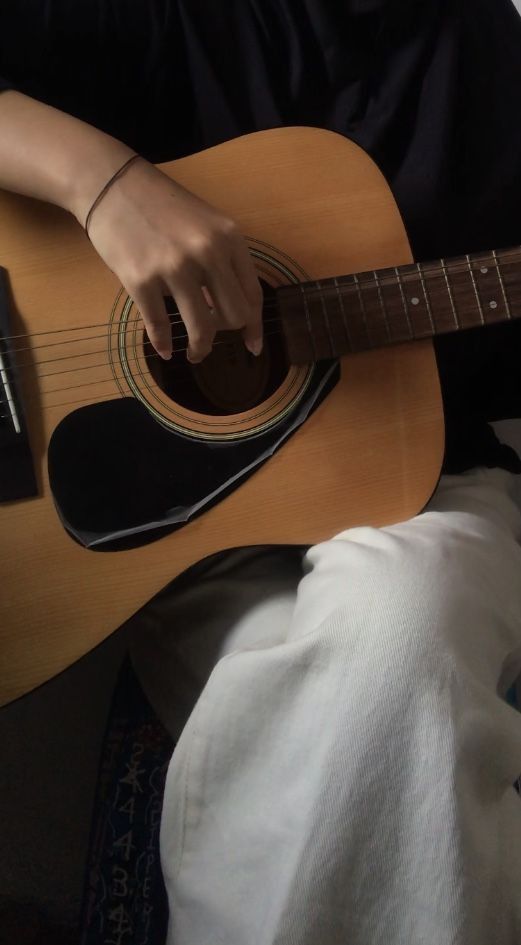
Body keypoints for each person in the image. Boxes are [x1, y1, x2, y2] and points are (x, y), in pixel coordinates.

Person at [2, 1, 521, 942]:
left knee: (402, 625)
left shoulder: (495, 59)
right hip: (168, 532)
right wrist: (104, 183)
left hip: (424, 479)